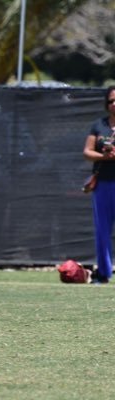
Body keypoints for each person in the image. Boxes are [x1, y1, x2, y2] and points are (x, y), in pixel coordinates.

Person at [83, 85, 115, 284]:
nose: (114, 104)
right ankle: (103, 273)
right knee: (102, 230)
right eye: (111, 100)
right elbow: (87, 152)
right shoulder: (99, 125)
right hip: (103, 184)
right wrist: (105, 155)